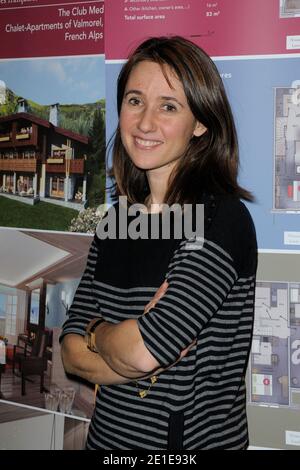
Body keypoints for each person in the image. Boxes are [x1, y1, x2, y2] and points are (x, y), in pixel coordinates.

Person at [60, 36, 257, 450]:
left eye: (169, 106)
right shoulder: (117, 223)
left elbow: (142, 351)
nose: (145, 123)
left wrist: (101, 336)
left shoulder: (220, 220)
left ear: (201, 122)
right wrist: (115, 338)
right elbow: (72, 352)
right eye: (135, 101)